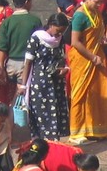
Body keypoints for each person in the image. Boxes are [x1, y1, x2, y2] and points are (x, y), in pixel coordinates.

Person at [68, 0, 107, 144]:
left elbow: (96, 33)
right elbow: (75, 42)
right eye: (96, 2)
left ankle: (96, 129)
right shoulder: (80, 15)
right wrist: (93, 57)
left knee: (97, 93)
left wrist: (102, 40)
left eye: (100, 2)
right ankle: (77, 132)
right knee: (80, 94)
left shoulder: (96, 12)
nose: (98, 5)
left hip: (98, 57)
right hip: (84, 59)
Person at [20, 12, 70, 140]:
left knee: (55, 116)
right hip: (40, 86)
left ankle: (53, 145)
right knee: (41, 116)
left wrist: (64, 69)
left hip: (56, 84)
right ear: (51, 25)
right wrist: (23, 85)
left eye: (62, 32)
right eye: (58, 31)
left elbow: (62, 58)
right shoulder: (36, 38)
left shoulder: (60, 40)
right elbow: (28, 63)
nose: (59, 35)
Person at [0, 0, 41, 95]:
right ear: (27, 2)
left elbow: (2, 48)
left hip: (10, 65)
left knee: (11, 96)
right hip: (26, 65)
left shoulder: (6, 22)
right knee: (23, 97)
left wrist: (1, 68)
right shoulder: (35, 21)